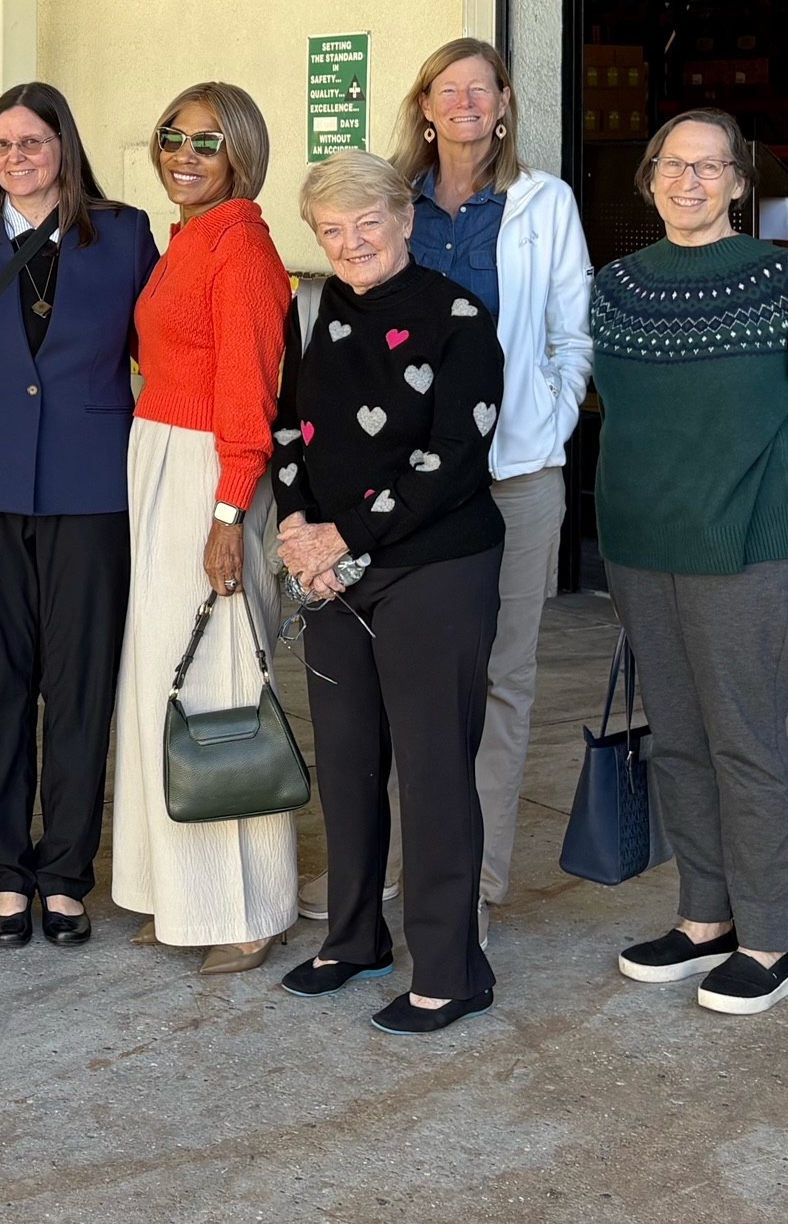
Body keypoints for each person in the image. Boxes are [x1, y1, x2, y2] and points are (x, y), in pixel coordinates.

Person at [592, 109, 788, 1016]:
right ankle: (703, 920)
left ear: (741, 185)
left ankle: (768, 940)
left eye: (712, 168)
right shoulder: (619, 287)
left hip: (752, 549)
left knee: (745, 744)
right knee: (677, 742)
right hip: (641, 552)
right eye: (675, 165)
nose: (691, 181)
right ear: (650, 179)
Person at [271, 149, 505, 1036]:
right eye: (332, 230)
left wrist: (345, 536)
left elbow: (453, 461)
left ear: (406, 220)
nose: (352, 242)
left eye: (368, 222)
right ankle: (354, 936)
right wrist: (298, 530)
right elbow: (290, 428)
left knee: (436, 771)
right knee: (348, 761)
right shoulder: (318, 311)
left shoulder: (459, 317)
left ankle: (452, 969)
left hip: (434, 567)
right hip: (331, 569)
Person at [0, 81, 157, 949]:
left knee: (79, 686)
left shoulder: (127, 233)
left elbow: (163, 347)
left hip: (93, 485)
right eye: (1, 145)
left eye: (32, 142)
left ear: (64, 144)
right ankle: (5, 874)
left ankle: (65, 875)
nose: (16, 158)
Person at [385, 37, 592, 936]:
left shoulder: (544, 202)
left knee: (503, 678)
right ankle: (401, 867)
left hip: (514, 474)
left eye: (482, 88)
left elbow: (571, 332)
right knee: (408, 678)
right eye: (447, 88)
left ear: (504, 103)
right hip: (407, 478)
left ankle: (478, 873)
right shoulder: (394, 204)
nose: (465, 102)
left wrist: (551, 415)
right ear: (424, 106)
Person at [109, 84, 298, 975]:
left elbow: (252, 395)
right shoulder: (189, 238)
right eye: (172, 135)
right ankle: (180, 894)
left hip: (209, 476)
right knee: (162, 681)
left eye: (207, 142)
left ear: (241, 155)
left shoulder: (245, 248)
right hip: (161, 463)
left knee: (220, 681)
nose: (184, 153)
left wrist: (228, 514)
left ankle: (248, 907)